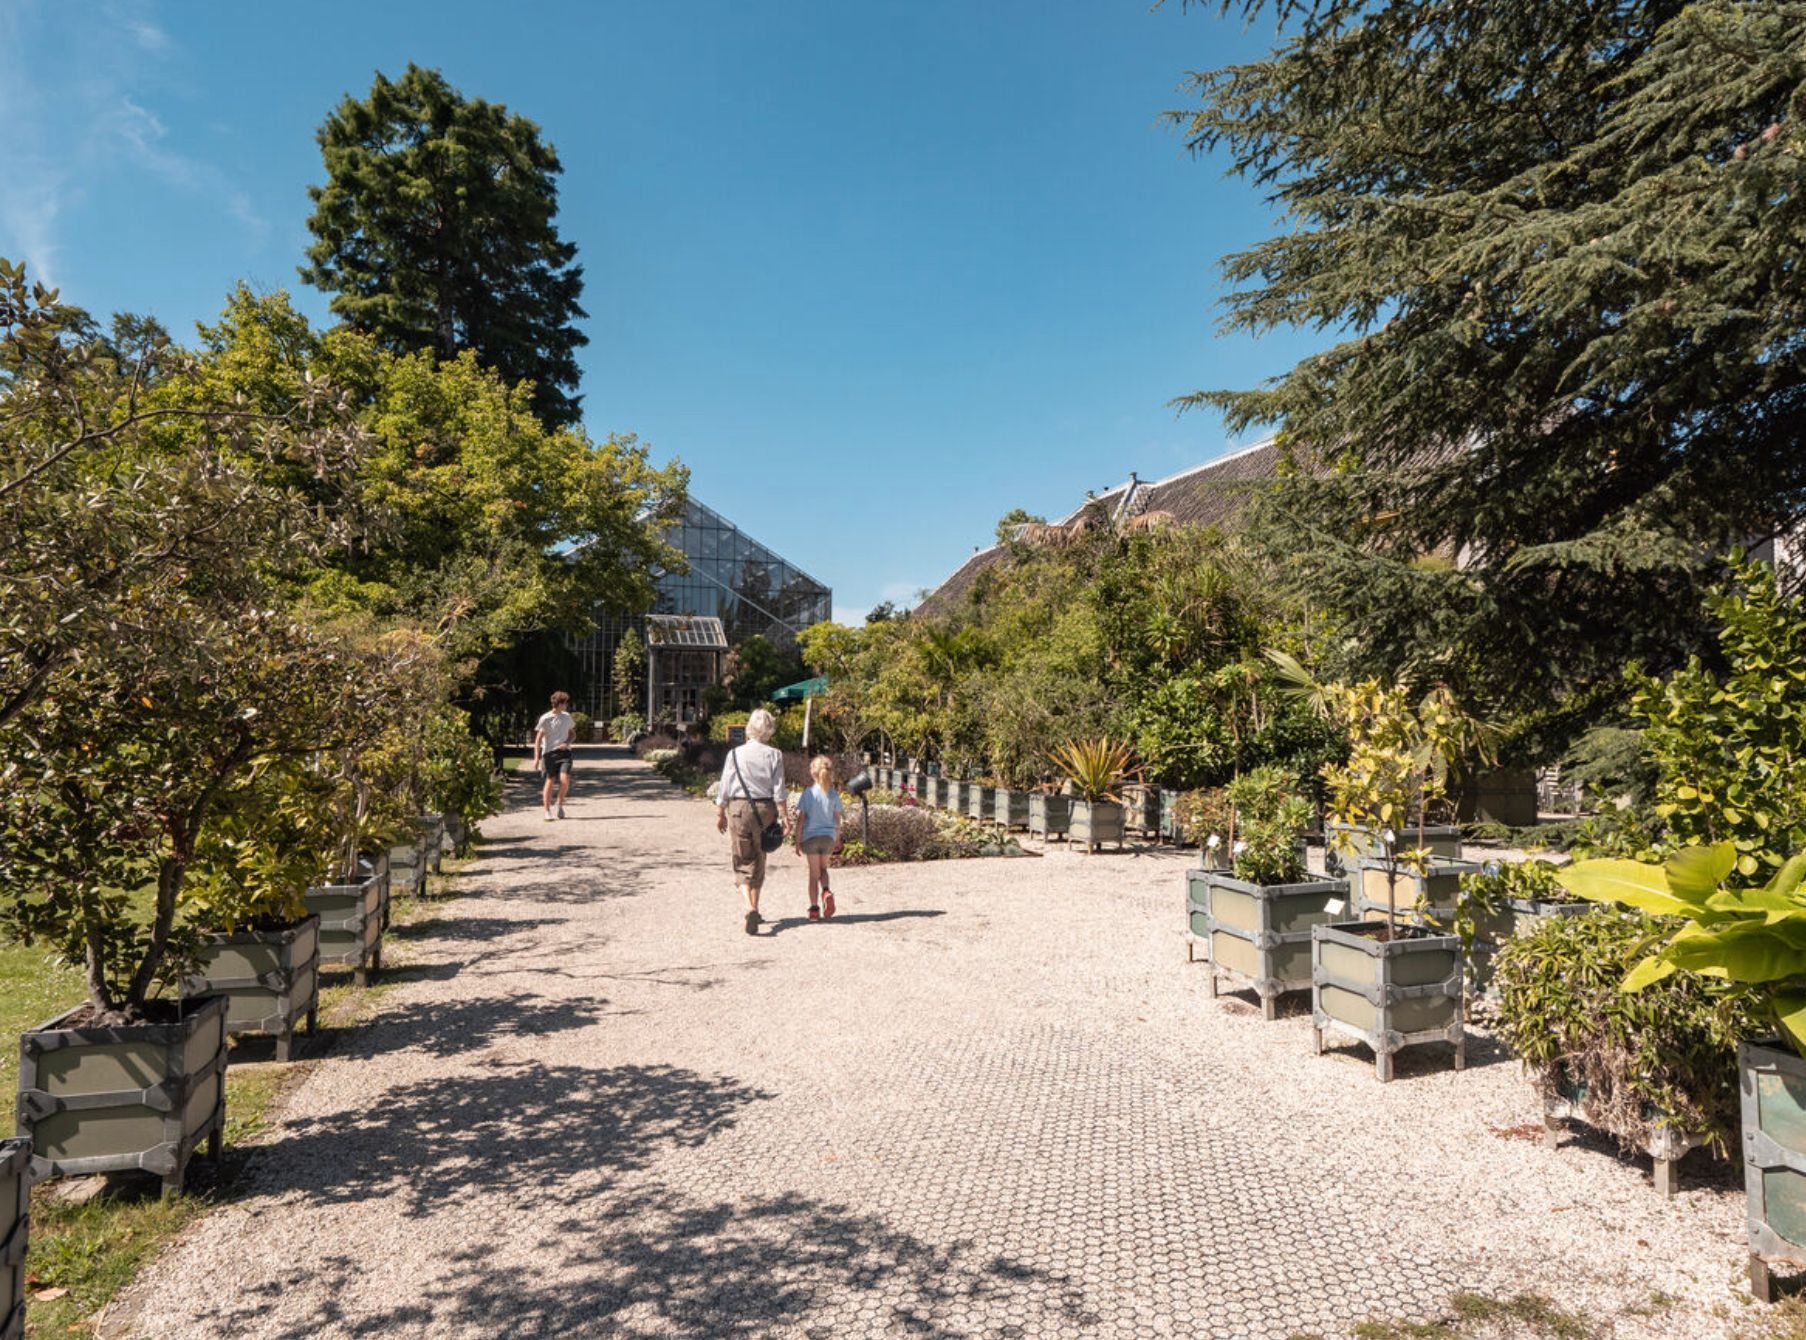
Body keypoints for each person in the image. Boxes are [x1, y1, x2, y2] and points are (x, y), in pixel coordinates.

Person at [716, 707, 788, 935]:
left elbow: (725, 785)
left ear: (749, 727)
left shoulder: (735, 754)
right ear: (769, 730)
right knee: (759, 857)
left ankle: (749, 907)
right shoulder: (775, 754)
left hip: (739, 809)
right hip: (765, 809)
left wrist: (720, 812)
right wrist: (785, 816)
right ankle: (755, 908)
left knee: (742, 859)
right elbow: (779, 789)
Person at [794, 755, 844, 920]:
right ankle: (827, 891)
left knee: (813, 874)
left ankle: (814, 909)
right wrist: (837, 838)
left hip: (811, 837)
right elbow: (837, 818)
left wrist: (797, 840)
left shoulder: (808, 794)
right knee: (823, 870)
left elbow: (801, 820)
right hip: (828, 837)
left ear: (813, 773)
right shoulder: (833, 794)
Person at [533, 691, 576, 821]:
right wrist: (536, 758)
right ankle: (547, 810)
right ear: (560, 704)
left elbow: (573, 734)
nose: (567, 705)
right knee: (550, 781)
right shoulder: (545, 718)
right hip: (549, 754)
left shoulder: (567, 717)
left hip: (564, 753)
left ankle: (559, 803)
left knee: (564, 779)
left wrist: (567, 743)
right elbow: (538, 740)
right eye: (565, 703)